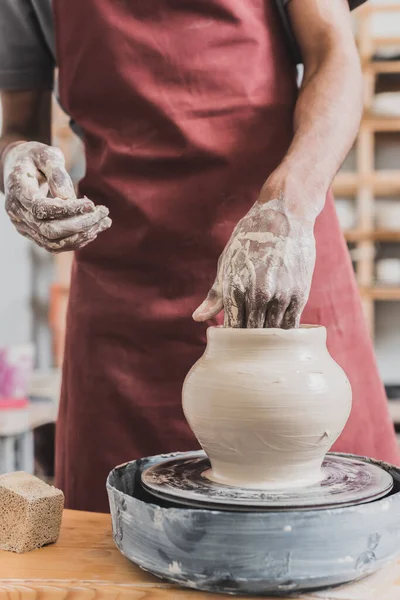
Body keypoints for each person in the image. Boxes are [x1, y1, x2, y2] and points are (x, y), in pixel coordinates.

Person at [0, 0, 398, 513]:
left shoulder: (284, 224)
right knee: (118, 555)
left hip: (280, 254)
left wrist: (289, 204)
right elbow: (18, 120)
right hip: (124, 297)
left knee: (342, 544)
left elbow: (333, 55)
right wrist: (17, 160)